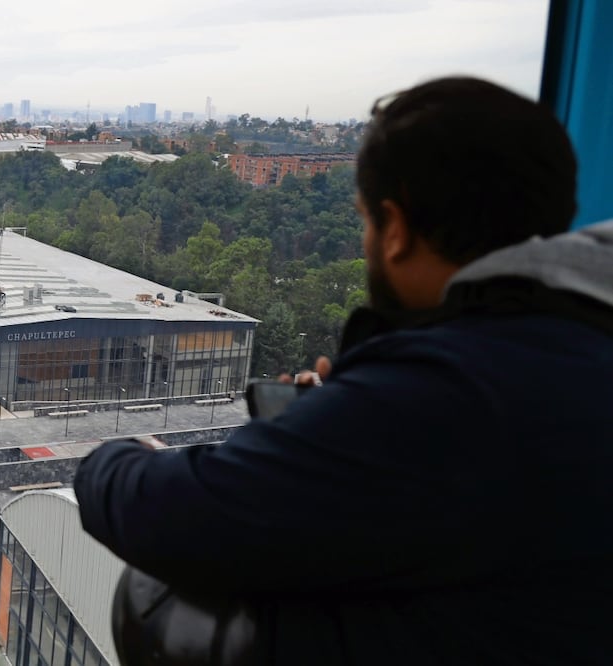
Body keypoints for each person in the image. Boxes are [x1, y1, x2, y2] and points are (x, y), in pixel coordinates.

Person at [74, 76, 613, 664]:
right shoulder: (574, 340)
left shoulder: (445, 391)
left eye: (365, 221)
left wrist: (116, 458)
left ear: (396, 229)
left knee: (164, 606)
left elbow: (173, 515)